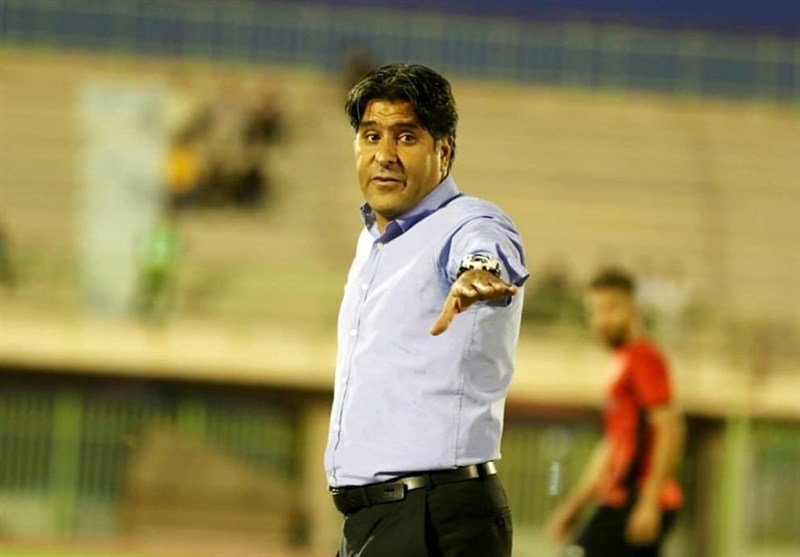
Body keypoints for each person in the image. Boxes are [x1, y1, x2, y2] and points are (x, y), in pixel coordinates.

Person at [325, 63, 529, 557]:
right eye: (371, 135)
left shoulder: (467, 221)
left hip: (434, 517)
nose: (385, 155)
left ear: (445, 149)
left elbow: (486, 247)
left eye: (406, 137)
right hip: (382, 519)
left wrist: (478, 271)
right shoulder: (375, 242)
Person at [546, 269, 685, 557]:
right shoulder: (622, 363)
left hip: (637, 499)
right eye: (594, 311)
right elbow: (613, 447)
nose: (602, 320)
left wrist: (649, 501)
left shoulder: (644, 358)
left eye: (612, 308)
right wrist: (574, 507)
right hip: (620, 498)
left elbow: (669, 428)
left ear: (635, 310)